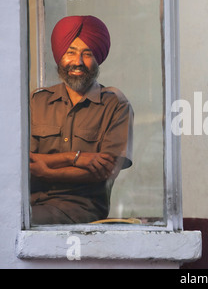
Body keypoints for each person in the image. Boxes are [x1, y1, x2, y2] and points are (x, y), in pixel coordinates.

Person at [29, 15, 134, 224]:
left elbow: (105, 171)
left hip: (79, 211)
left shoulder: (116, 105)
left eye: (87, 54)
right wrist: (76, 158)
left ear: (98, 58)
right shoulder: (37, 101)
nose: (77, 62)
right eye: (70, 52)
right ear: (60, 55)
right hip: (28, 204)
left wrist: (47, 171)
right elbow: (26, 162)